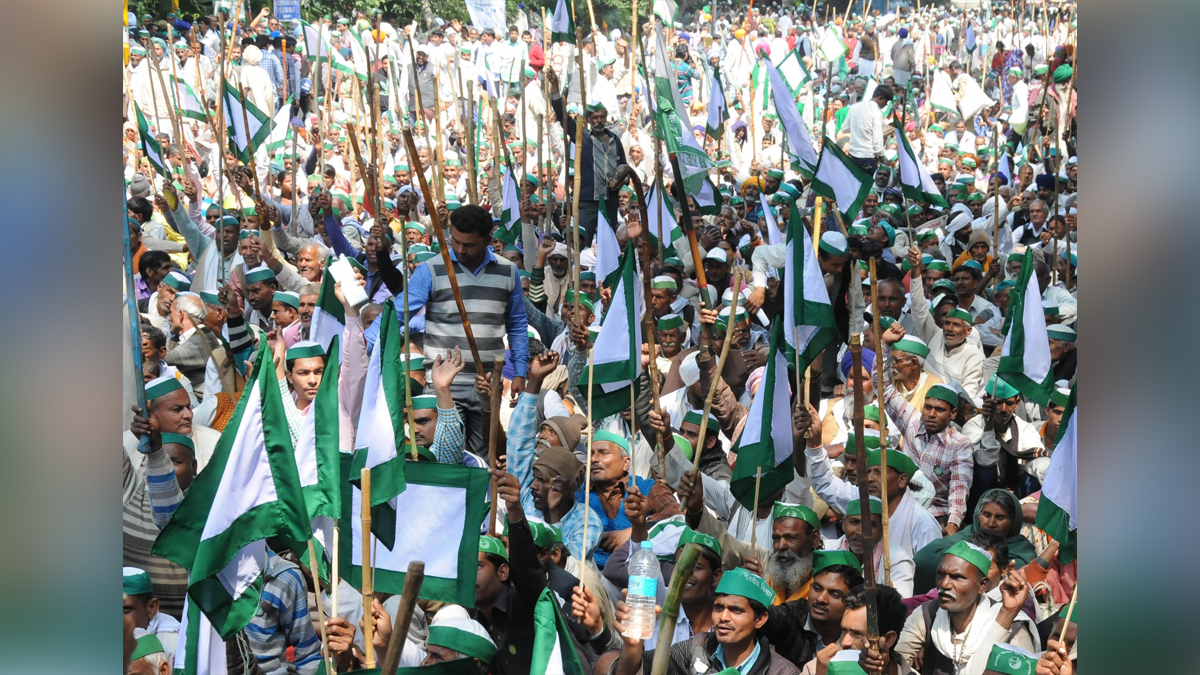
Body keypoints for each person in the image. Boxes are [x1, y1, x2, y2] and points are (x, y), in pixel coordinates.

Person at [396, 204, 529, 456]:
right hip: (443, 385)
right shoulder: (431, 269)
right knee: (446, 455)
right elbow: (397, 315)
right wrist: (369, 346)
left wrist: (520, 372)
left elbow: (517, 325)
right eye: (455, 241)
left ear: (488, 239)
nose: (459, 250)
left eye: (468, 245)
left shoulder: (507, 271)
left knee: (484, 459)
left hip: (487, 385)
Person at [611, 567, 803, 675]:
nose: (724, 617)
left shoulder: (782, 672)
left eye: (736, 610)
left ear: (760, 619)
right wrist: (632, 646)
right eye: (719, 607)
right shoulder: (696, 649)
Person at [879, 322, 976, 535]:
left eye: (939, 410)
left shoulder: (960, 445)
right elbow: (884, 388)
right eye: (928, 407)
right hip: (900, 507)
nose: (931, 414)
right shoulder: (912, 421)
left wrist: (952, 526)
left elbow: (959, 489)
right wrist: (885, 344)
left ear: (952, 414)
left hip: (935, 515)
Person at [896, 539, 1038, 674]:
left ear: (982, 585)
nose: (945, 584)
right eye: (941, 574)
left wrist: (1007, 614)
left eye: (956, 577)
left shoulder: (1013, 628)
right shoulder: (927, 614)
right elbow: (896, 662)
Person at [911, 488, 1038, 596]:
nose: (991, 523)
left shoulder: (1021, 550)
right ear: (978, 515)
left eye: (1000, 518)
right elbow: (924, 559)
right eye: (987, 515)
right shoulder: (967, 534)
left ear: (1013, 522)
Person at [846, 84, 894, 175]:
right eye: (886, 101)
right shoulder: (876, 113)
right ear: (880, 98)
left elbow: (845, 128)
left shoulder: (854, 107)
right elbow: (877, 143)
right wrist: (883, 161)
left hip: (853, 156)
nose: (886, 105)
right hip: (867, 157)